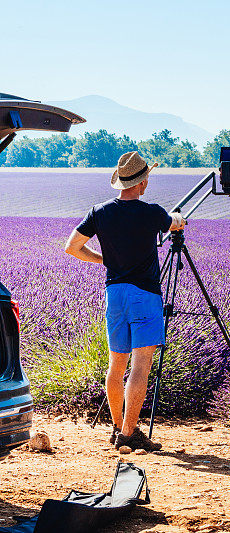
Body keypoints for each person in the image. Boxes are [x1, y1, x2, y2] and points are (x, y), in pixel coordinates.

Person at [64, 151, 186, 452]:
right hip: (144, 294)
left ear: (121, 181)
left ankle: (117, 427)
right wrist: (179, 219)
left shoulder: (99, 211)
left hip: (114, 294)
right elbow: (174, 223)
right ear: (143, 182)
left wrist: (106, 260)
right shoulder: (151, 212)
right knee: (141, 366)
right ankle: (130, 434)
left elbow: (72, 247)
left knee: (116, 366)